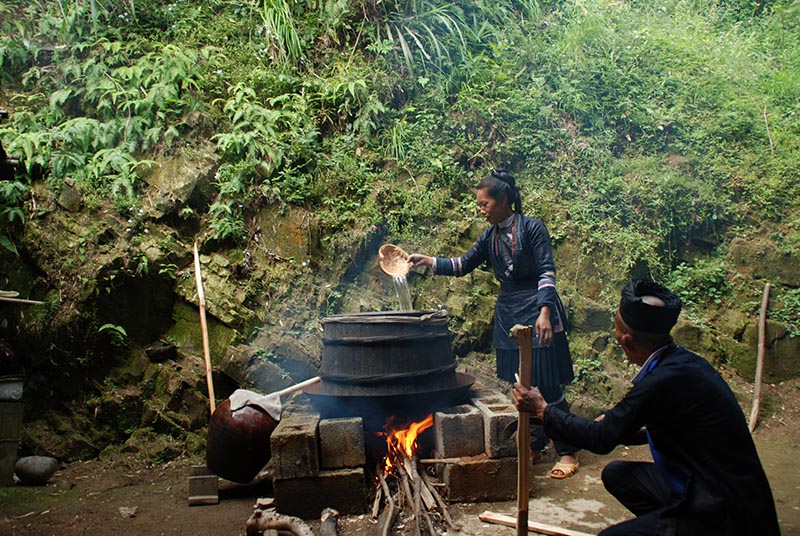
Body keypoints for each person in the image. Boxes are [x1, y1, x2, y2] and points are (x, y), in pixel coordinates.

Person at [512, 279, 781, 535]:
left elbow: (601, 439)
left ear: (627, 340)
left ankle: (690, 526)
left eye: (615, 327)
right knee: (618, 475)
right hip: (718, 487)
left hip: (726, 509)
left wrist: (542, 409)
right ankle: (672, 523)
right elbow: (672, 429)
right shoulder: (685, 364)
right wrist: (622, 429)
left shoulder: (660, 381)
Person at [408, 168, 580, 479]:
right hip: (508, 312)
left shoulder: (532, 228)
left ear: (504, 200)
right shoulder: (489, 236)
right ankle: (536, 445)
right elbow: (463, 264)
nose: (481, 210)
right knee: (520, 384)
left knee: (548, 385)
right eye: (479, 205)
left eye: (484, 204)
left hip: (537, 308)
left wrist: (544, 311)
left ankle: (566, 451)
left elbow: (546, 271)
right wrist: (430, 261)